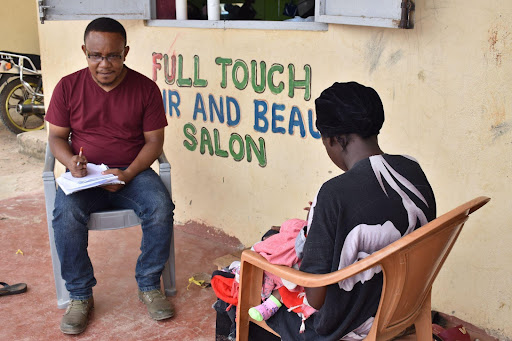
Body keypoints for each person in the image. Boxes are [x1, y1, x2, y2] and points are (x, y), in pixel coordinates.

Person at [255, 81, 437, 340]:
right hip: (403, 308)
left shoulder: (333, 193)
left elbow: (315, 297)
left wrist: (313, 226)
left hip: (343, 326)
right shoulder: (412, 169)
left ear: (335, 140)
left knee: (249, 275)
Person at [45, 17, 175, 335]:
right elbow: (57, 137)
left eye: (112, 56)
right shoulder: (68, 86)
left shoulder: (145, 89)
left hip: (132, 171)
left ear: (125, 52)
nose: (104, 64)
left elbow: (154, 143)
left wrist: (127, 174)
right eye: (95, 55)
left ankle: (149, 285)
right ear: (84, 52)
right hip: (86, 175)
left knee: (160, 207)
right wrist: (71, 163)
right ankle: (79, 295)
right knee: (65, 213)